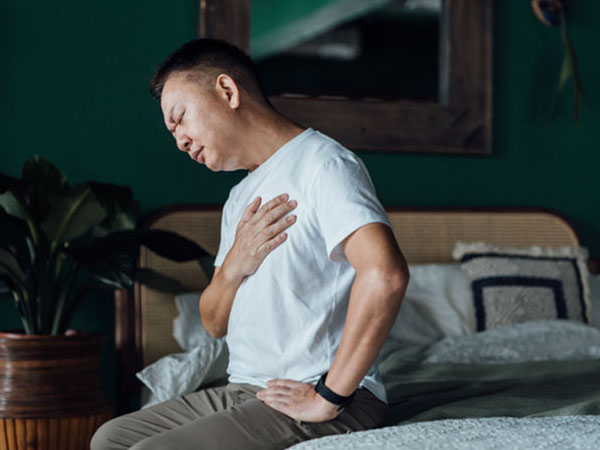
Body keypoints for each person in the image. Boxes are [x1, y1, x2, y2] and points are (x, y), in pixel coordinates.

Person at [91, 38, 409, 450]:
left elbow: (385, 275)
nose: (180, 141)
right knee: (109, 440)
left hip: (318, 392)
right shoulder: (241, 198)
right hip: (248, 389)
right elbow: (213, 321)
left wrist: (330, 396)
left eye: (180, 118)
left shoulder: (323, 164)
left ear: (227, 91)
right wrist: (237, 262)